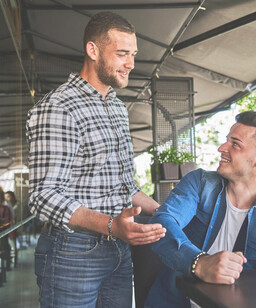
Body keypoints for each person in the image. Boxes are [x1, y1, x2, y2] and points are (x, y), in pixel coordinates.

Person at [26, 12, 166, 307]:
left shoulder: (115, 106)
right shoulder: (58, 107)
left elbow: (125, 186)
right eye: (122, 54)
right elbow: (43, 196)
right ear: (93, 50)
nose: (131, 63)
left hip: (119, 251)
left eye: (133, 54)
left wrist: (165, 211)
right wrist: (111, 224)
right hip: (72, 253)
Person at [145, 111, 256, 308]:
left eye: (235, 144)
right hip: (173, 301)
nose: (221, 148)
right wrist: (199, 262)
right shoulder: (200, 183)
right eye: (226, 141)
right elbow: (161, 222)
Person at [0, 186, 13, 270]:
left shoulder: (6, 205)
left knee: (4, 247)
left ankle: (6, 265)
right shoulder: (5, 205)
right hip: (3, 229)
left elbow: (9, 220)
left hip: (3, 230)